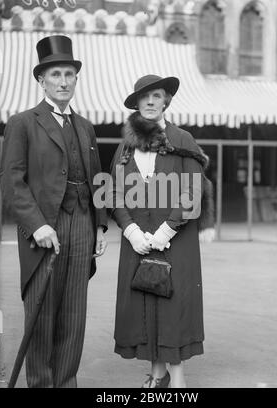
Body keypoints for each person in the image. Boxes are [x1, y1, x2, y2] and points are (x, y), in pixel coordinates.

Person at [0, 35, 107, 388]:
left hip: (82, 225)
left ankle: (66, 383)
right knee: (42, 316)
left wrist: (101, 226)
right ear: (41, 80)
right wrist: (37, 225)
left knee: (74, 316)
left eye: (69, 75)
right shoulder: (23, 122)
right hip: (45, 227)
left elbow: (96, 177)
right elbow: (12, 180)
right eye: (55, 75)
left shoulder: (86, 126)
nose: (63, 82)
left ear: (76, 79)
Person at [109, 74, 214, 388]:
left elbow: (194, 190)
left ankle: (178, 379)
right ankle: (158, 374)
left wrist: (168, 229)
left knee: (173, 306)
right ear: (137, 103)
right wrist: (130, 231)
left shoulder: (182, 139)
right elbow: (112, 192)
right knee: (145, 304)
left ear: (166, 101)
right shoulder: (126, 146)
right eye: (145, 97)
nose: (151, 102)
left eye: (157, 96)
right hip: (138, 242)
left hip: (175, 241)